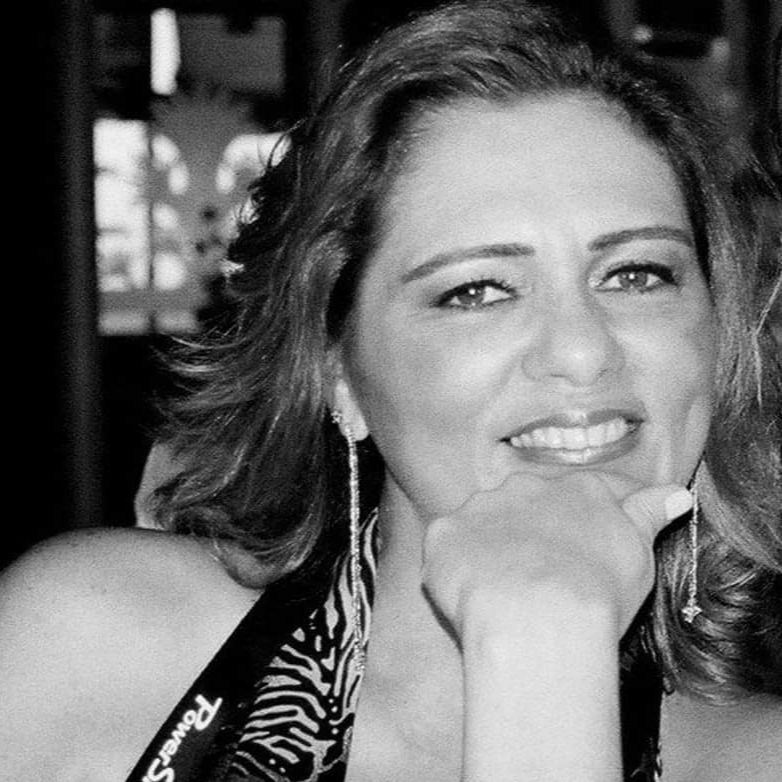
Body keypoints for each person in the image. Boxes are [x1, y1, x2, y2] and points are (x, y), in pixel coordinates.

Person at [2, 1, 781, 780]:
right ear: (337, 371)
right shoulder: (89, 652)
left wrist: (544, 642)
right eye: (477, 290)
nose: (582, 352)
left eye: (637, 275)